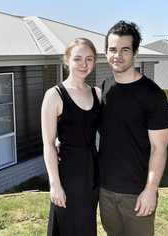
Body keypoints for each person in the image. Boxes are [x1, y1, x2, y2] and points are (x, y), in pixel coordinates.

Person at [98, 20, 168, 236]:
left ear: (135, 52)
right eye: (112, 49)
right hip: (106, 190)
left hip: (137, 193)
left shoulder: (152, 94)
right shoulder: (105, 87)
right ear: (106, 52)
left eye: (124, 50)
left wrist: (150, 189)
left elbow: (160, 149)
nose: (117, 55)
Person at [41, 38, 101, 236]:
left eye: (89, 59)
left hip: (92, 172)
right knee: (67, 227)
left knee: (87, 226)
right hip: (67, 174)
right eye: (77, 59)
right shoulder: (54, 95)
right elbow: (49, 144)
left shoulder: (98, 94)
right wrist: (54, 184)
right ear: (67, 60)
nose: (84, 64)